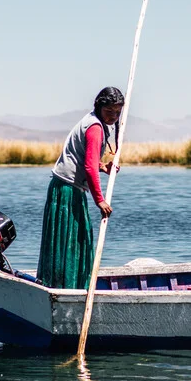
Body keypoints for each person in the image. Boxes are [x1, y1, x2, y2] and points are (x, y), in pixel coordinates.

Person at [37, 87, 124, 289]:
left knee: (74, 239)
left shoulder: (94, 122)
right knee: (74, 240)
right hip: (67, 190)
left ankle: (63, 284)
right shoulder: (95, 128)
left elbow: (89, 161)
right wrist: (99, 199)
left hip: (65, 187)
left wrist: (103, 167)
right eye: (109, 111)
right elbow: (88, 167)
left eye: (117, 112)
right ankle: (67, 286)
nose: (113, 116)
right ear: (99, 107)